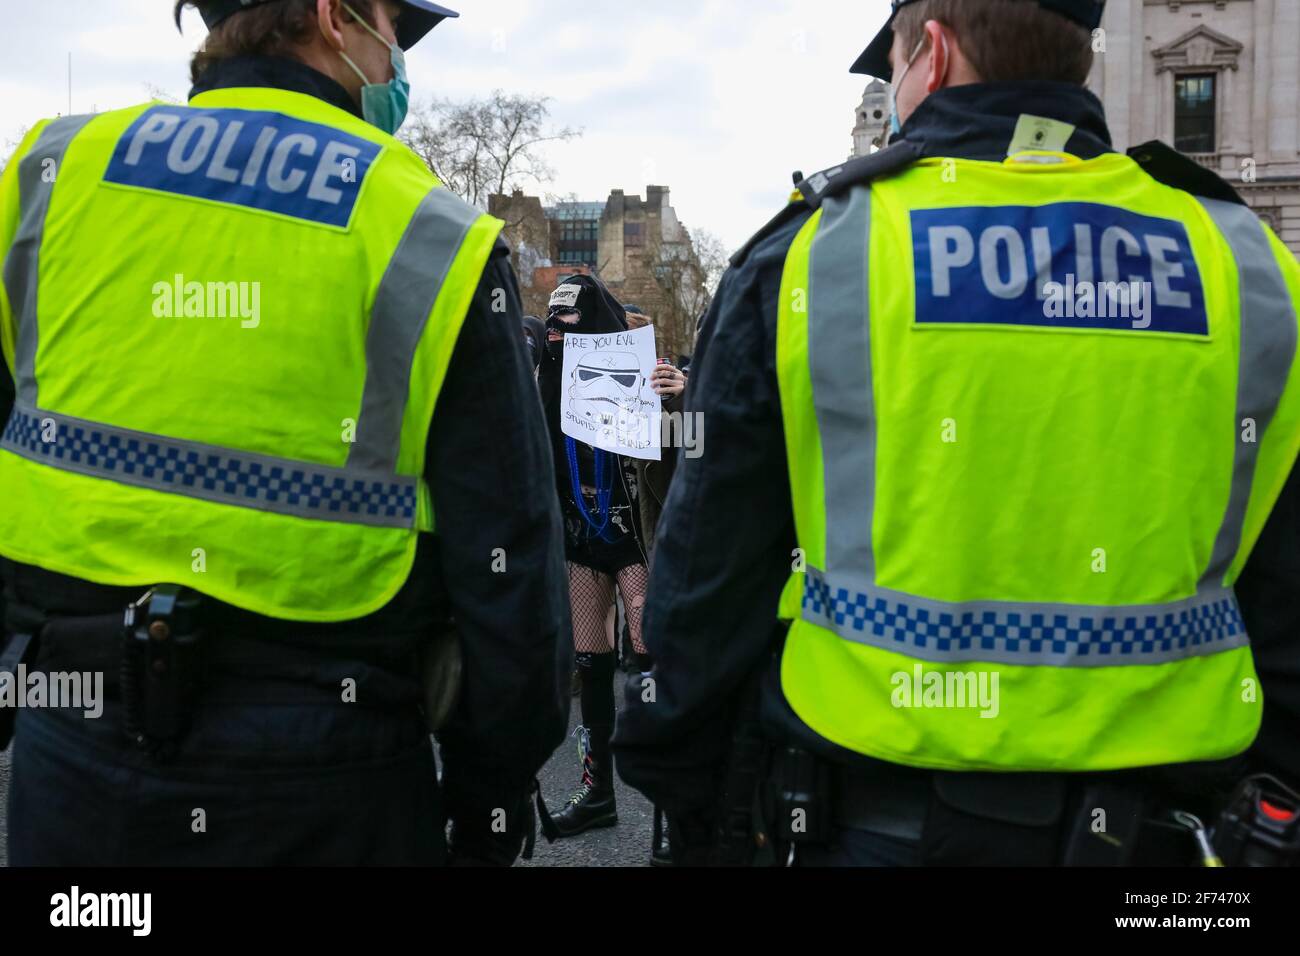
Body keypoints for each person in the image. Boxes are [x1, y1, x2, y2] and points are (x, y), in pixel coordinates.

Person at [614, 0, 1300, 867]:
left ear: (929, 55)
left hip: (872, 822)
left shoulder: (817, 252)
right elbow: (1282, 598)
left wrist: (686, 792)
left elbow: (708, 583)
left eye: (892, 62)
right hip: (1164, 838)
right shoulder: (1246, 263)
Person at [0, 0, 569, 866]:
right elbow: (509, 560)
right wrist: (490, 786)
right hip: (331, 768)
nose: (397, 70)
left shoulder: (52, 171)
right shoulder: (428, 232)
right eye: (394, 32)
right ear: (334, 18)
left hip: (75, 740)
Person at [538, 275, 653, 838]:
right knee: (591, 663)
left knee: (651, 653)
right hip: (582, 539)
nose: (559, 329)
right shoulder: (544, 377)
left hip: (633, 535)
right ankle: (597, 792)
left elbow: (679, 440)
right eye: (553, 320)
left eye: (572, 319)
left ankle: (670, 809)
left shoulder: (637, 371)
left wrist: (677, 390)